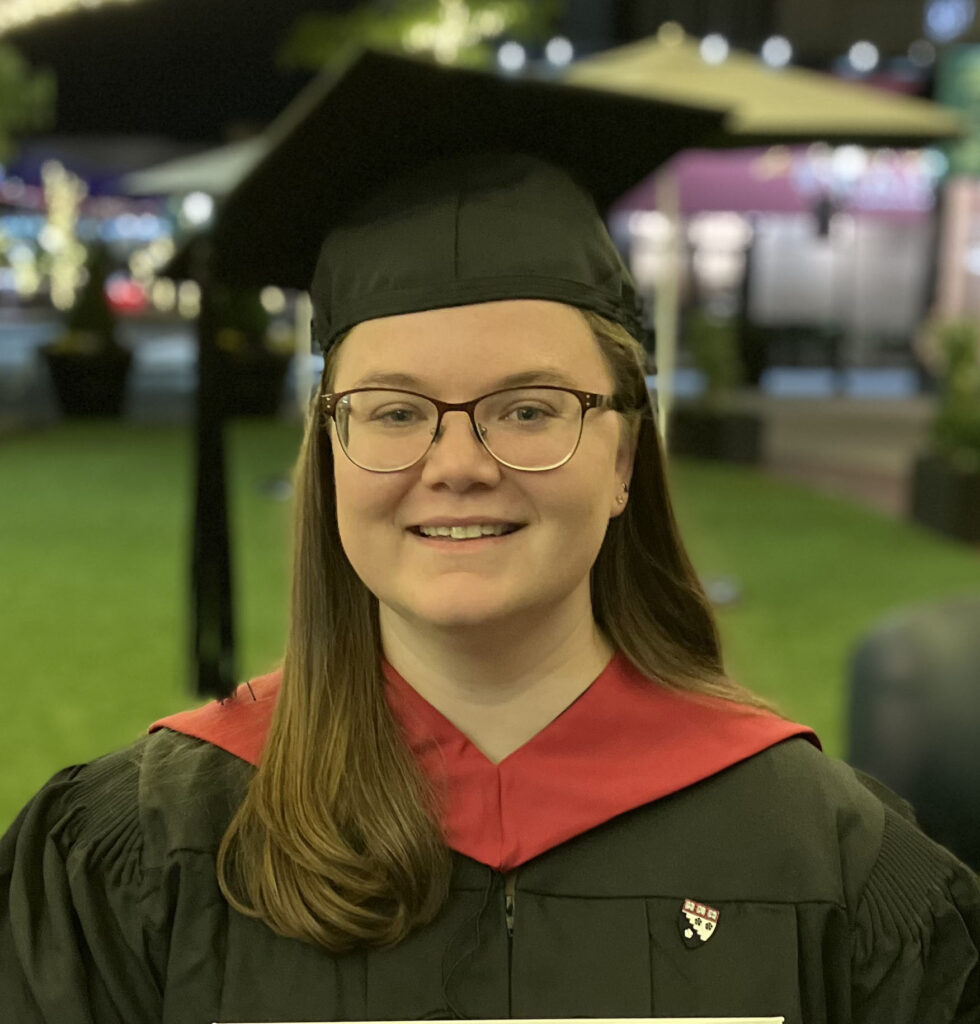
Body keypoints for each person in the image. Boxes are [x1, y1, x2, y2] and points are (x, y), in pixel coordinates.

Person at [2, 57, 979, 1024]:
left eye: (525, 408)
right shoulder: (142, 855)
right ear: (329, 447)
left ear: (623, 455)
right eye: (392, 411)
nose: (456, 461)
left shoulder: (829, 866)